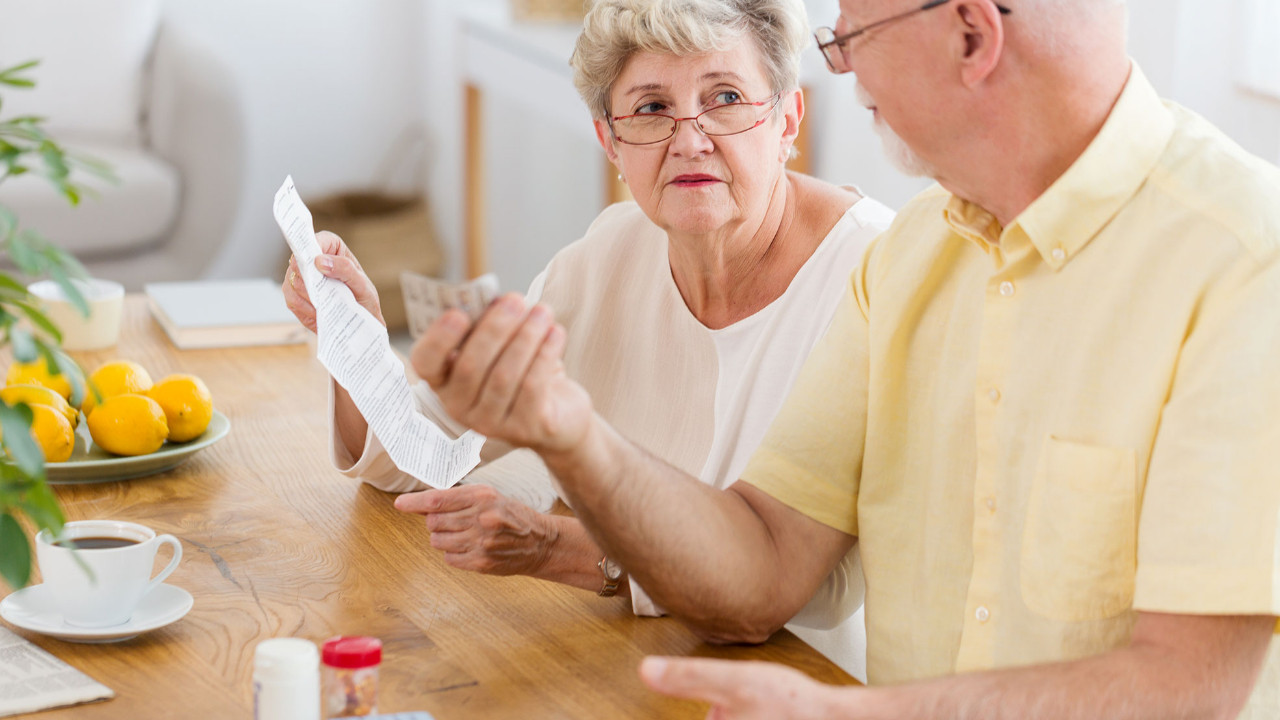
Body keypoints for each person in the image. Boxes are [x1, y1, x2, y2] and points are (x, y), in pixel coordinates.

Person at [407, 0, 1280, 717]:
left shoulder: (1249, 262)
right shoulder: (911, 260)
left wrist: (846, 714)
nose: (840, 65)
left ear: (972, 35)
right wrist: (570, 431)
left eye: (852, 35)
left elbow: (1190, 683)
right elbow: (759, 566)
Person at [282, 0, 894, 679]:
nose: (689, 139)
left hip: (798, 684)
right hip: (632, 664)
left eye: (724, 97)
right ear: (610, 141)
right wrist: (355, 339)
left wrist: (569, 549)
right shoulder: (611, 251)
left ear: (786, 121)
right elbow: (424, 455)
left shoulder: (873, 273)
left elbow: (816, 590)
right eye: (652, 108)